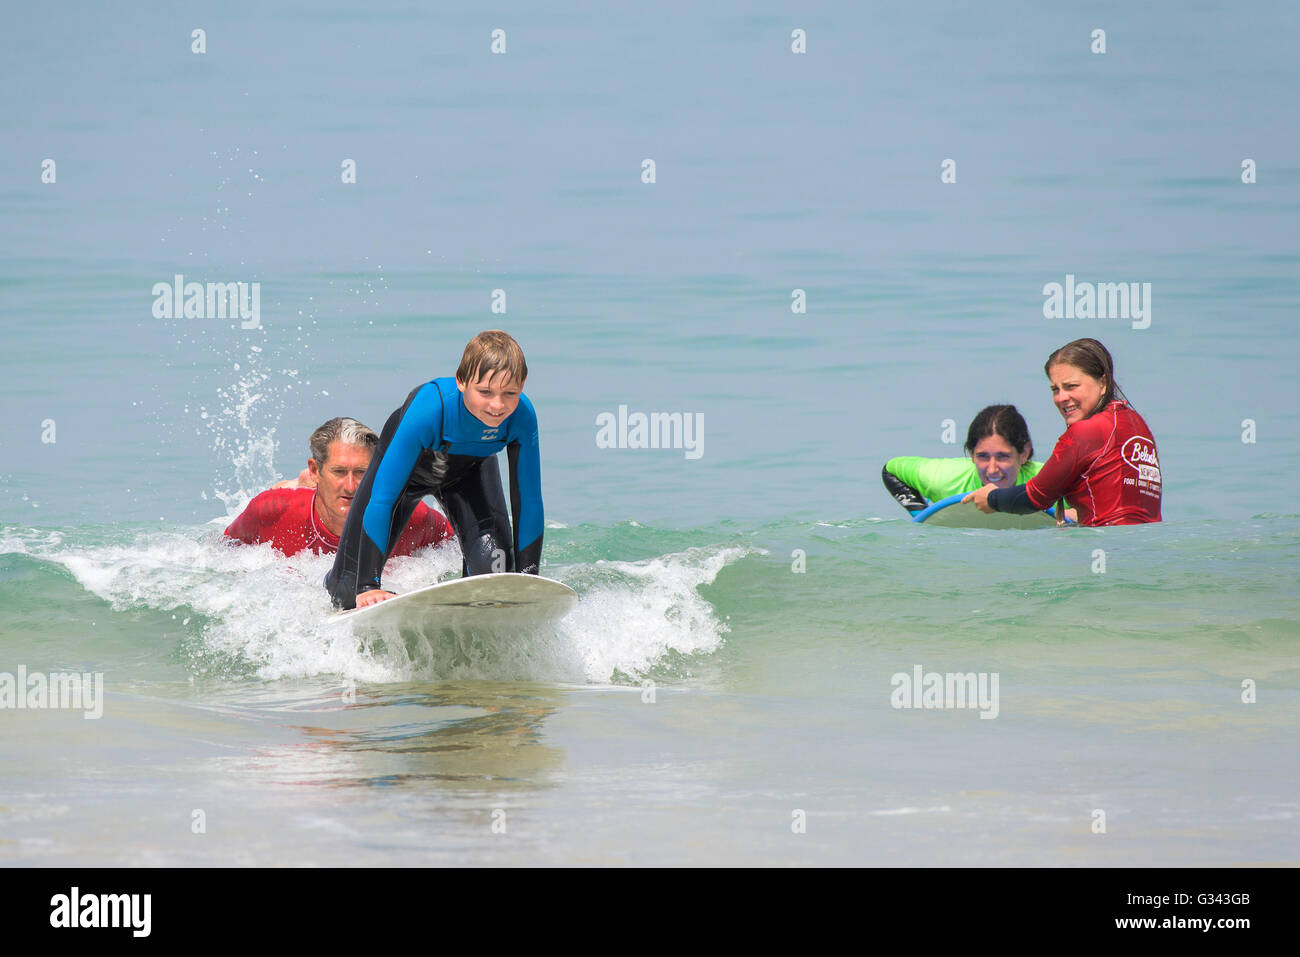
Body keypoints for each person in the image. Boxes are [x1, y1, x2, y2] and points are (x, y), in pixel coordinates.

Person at [324, 330, 544, 610]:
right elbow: (383, 498)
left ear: (522, 385)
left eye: (509, 393)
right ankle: (336, 578)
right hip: (404, 481)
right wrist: (368, 586)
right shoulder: (431, 409)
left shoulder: (521, 417)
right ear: (462, 382)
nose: (497, 405)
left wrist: (528, 578)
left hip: (470, 475)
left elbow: (529, 501)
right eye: (485, 392)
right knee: (347, 593)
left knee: (495, 573)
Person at [964, 338, 1161, 526]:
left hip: (1108, 545)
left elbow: (1035, 497)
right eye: (1055, 389)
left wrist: (991, 498)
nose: (1061, 398)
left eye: (1071, 386)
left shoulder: (1087, 431)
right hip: (1143, 547)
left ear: (1103, 383)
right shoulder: (1136, 423)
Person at [224, 417, 453, 556]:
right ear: (316, 470)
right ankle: (301, 483)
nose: (351, 486)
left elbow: (452, 548)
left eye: (362, 473)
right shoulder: (270, 511)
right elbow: (221, 555)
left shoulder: (411, 516)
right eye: (339, 472)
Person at [882, 405, 1048, 512]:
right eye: (982, 456)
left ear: (1024, 453)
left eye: (1003, 456)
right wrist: (922, 515)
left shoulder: (1050, 480)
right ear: (971, 454)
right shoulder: (946, 479)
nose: (992, 469)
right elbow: (891, 469)